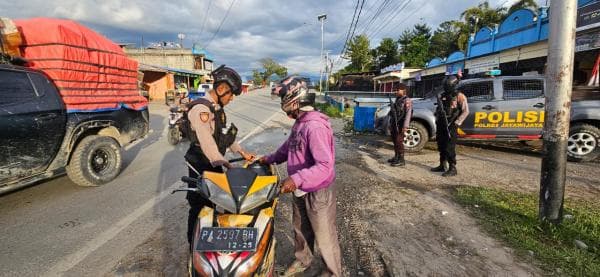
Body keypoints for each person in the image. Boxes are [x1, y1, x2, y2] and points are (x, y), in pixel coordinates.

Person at [259, 76, 342, 277]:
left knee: (325, 236)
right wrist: (268, 159)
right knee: (301, 229)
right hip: (300, 189)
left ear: (295, 99)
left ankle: (332, 272)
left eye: (284, 100)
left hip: (318, 192)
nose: (283, 106)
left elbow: (325, 166)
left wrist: (295, 179)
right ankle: (303, 260)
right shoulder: (300, 122)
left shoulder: (314, 126)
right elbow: (289, 147)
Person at [184, 65, 255, 248]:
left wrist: (241, 152)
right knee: (200, 208)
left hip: (213, 163)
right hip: (200, 164)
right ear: (221, 89)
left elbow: (224, 137)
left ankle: (209, 243)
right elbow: (206, 140)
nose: (231, 99)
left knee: (214, 204)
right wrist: (222, 162)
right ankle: (194, 248)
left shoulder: (217, 110)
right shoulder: (201, 109)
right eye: (230, 94)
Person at [431, 75, 469, 177]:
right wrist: (437, 116)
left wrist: (457, 122)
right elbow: (439, 108)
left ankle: (452, 168)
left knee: (449, 147)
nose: (446, 87)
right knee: (441, 144)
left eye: (448, 85)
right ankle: (442, 165)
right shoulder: (442, 95)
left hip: (452, 124)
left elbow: (465, 111)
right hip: (442, 123)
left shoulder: (460, 96)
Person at [387, 83, 412, 167]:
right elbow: (393, 113)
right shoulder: (398, 99)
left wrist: (405, 126)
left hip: (401, 124)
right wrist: (390, 123)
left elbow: (408, 114)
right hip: (395, 123)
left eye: (398, 90)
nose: (396, 92)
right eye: (395, 90)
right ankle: (396, 157)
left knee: (399, 141)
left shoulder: (407, 100)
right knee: (395, 140)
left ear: (403, 90)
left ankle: (401, 160)